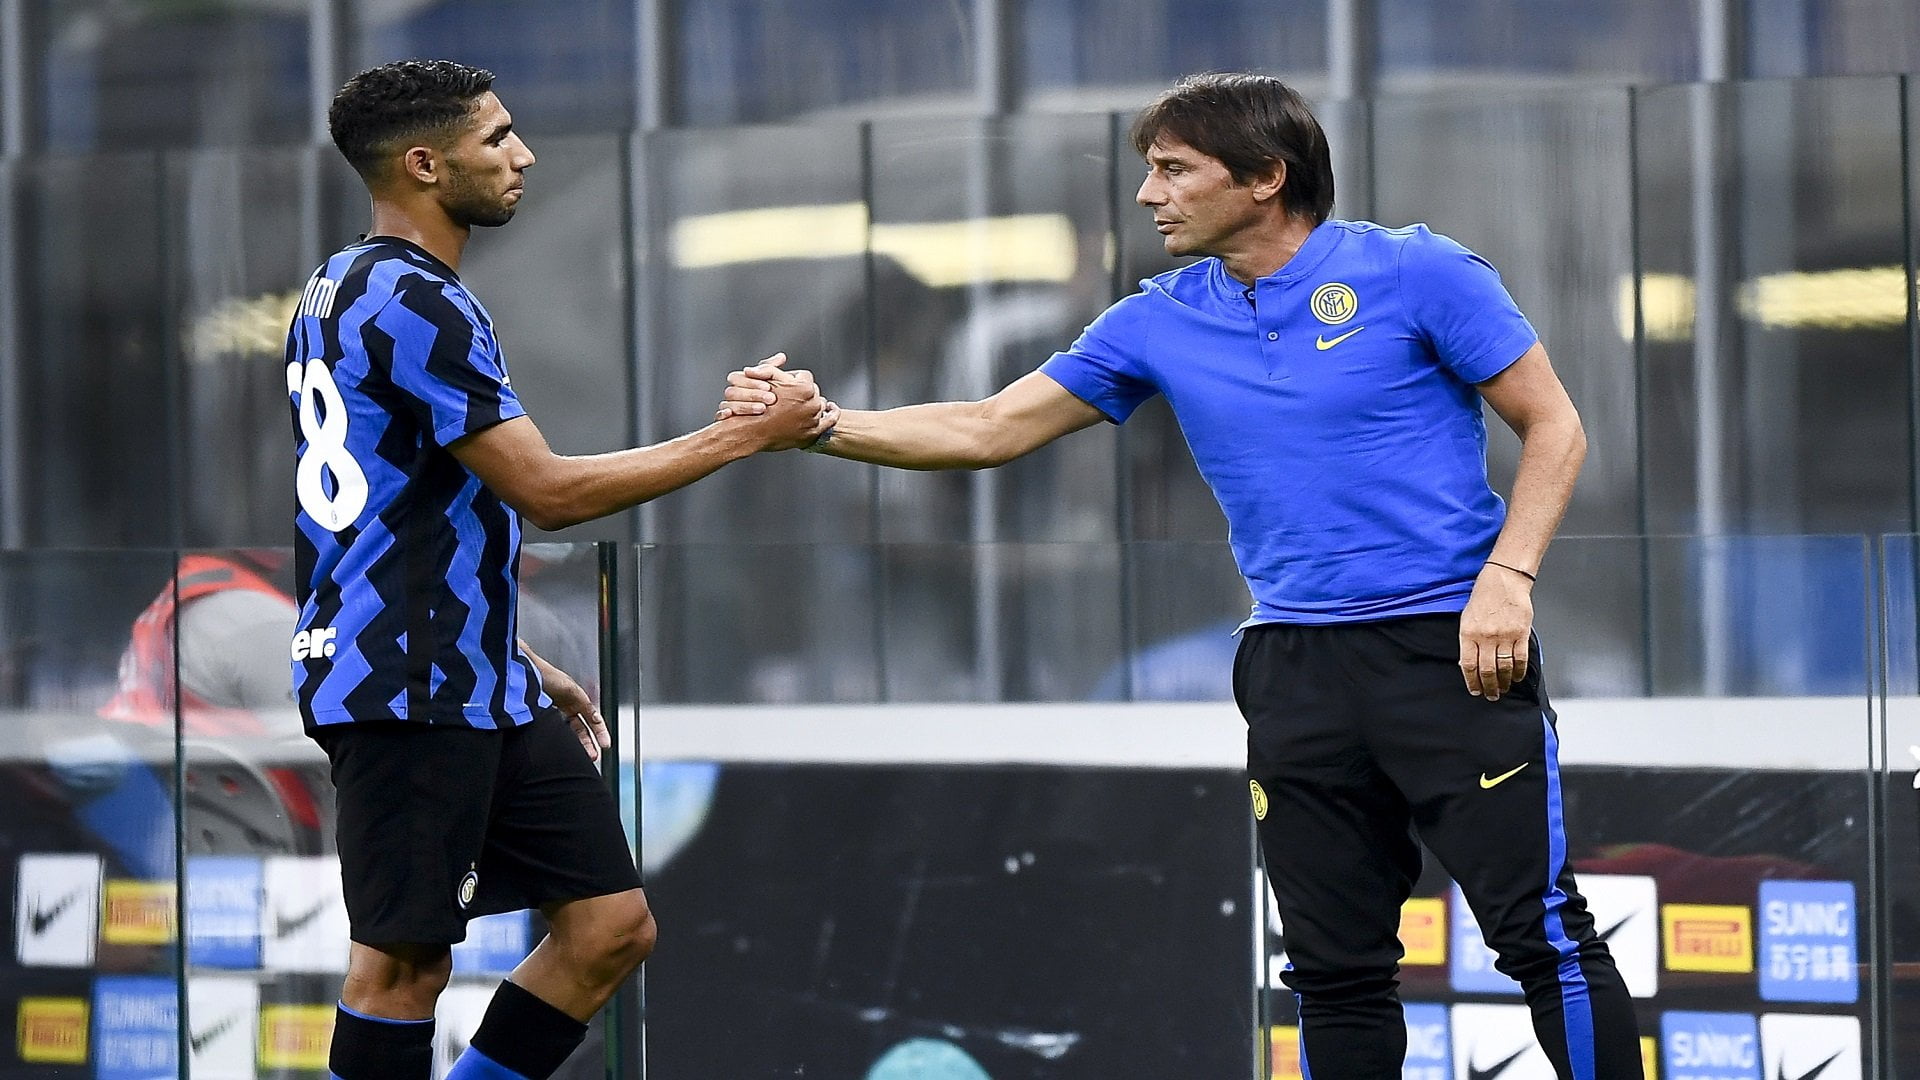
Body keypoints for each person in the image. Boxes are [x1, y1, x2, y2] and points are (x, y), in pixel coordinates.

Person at [723, 72, 1640, 1080]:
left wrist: (1508, 576)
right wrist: (818, 426)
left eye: (1171, 170)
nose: (1147, 195)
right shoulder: (1154, 320)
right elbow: (988, 428)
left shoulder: (1421, 271)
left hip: (1451, 649)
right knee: (1334, 973)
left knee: (1540, 938)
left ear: (1263, 179)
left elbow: (1556, 426)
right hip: (1292, 669)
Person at [293, 59, 827, 1080]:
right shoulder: (415, 300)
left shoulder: (343, 285)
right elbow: (547, 492)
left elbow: (384, 505)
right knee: (402, 968)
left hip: (467, 669)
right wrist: (742, 438)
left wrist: (509, 651)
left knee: (611, 928)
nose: (522, 155)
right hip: (408, 684)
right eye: (495, 139)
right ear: (423, 163)